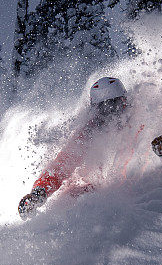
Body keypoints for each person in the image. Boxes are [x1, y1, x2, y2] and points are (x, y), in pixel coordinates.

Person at [18, 76, 133, 217]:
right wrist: (39, 193)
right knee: (74, 193)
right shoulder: (89, 132)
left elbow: (155, 136)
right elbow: (61, 166)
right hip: (102, 196)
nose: (110, 113)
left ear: (124, 101)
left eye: (114, 104)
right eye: (103, 109)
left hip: (135, 188)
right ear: (95, 110)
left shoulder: (141, 119)